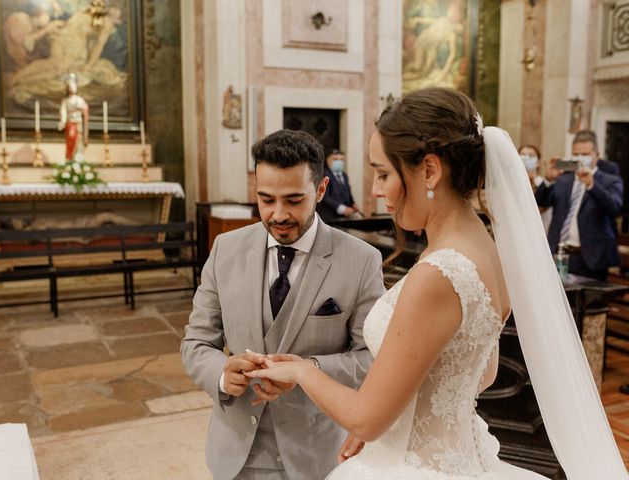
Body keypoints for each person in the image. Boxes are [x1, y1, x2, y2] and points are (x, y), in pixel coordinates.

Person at [246, 88, 627, 479]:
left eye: (383, 173)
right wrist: (396, 411)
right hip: (461, 457)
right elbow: (482, 372)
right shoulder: (489, 251)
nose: (376, 190)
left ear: (429, 170)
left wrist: (303, 373)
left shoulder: (438, 274)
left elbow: (365, 421)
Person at [181, 129, 385, 480]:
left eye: (293, 200)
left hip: (317, 453)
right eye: (266, 199)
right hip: (235, 453)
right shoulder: (225, 250)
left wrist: (308, 370)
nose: (278, 215)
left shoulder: (362, 260)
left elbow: (372, 358)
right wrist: (221, 373)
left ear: (320, 190)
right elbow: (196, 343)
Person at [536, 129, 623, 281]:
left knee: (589, 303)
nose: (580, 158)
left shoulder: (610, 180)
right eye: (576, 155)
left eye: (585, 154)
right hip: (558, 253)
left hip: (590, 259)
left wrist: (592, 185)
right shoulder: (564, 179)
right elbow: (540, 203)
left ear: (597, 154)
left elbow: (614, 207)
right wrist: (548, 180)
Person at [317, 150, 363, 221]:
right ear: (328, 160)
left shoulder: (344, 175)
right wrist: (343, 209)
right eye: (335, 159)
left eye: (341, 160)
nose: (339, 162)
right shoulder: (323, 174)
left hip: (344, 218)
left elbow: (348, 193)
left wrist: (353, 204)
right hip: (329, 218)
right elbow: (325, 197)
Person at [519, 144, 552, 232]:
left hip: (542, 230)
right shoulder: (512, 183)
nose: (526, 158)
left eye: (531, 155)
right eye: (523, 155)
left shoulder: (545, 183)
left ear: (538, 162)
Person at [58, 73, 89, 161]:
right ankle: (70, 159)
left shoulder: (80, 100)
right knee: (71, 139)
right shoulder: (65, 101)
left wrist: (84, 109)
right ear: (68, 88)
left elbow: (85, 112)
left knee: (79, 142)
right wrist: (62, 122)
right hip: (70, 124)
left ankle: (78, 159)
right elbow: (63, 112)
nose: (72, 88)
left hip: (79, 124)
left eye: (74, 86)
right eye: (70, 86)